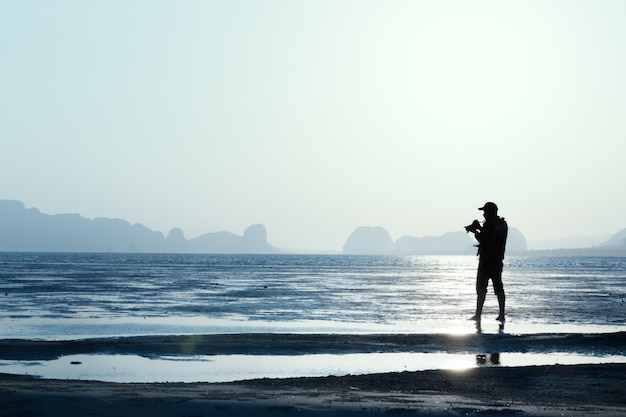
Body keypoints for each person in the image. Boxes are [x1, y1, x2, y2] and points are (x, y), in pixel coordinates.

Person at [466, 202, 508, 322]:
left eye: (485, 211)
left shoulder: (489, 224)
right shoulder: (503, 223)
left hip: (486, 261)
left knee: (481, 288)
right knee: (498, 287)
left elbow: (483, 239)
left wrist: (475, 231)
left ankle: (478, 315)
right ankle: (502, 314)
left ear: (490, 212)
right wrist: (479, 228)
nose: (484, 214)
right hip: (498, 259)